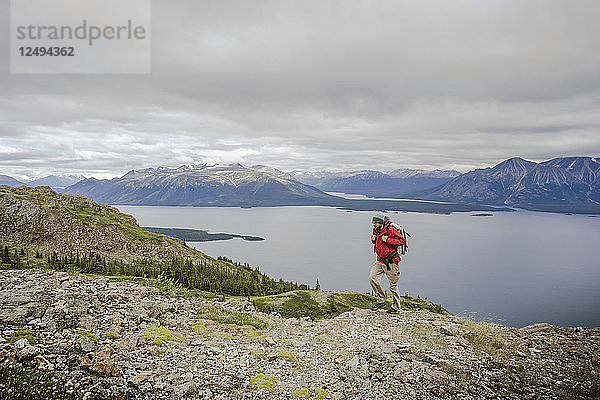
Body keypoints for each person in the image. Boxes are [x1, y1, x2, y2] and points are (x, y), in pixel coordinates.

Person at [369, 214, 406, 313]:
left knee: (393, 286)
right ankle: (381, 300)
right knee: (372, 278)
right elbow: (378, 242)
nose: (374, 225)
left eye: (375, 223)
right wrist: (373, 240)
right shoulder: (376, 230)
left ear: (381, 222)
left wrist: (388, 240)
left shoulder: (390, 229)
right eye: (373, 223)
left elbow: (402, 240)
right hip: (380, 260)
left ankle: (396, 307)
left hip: (391, 262)